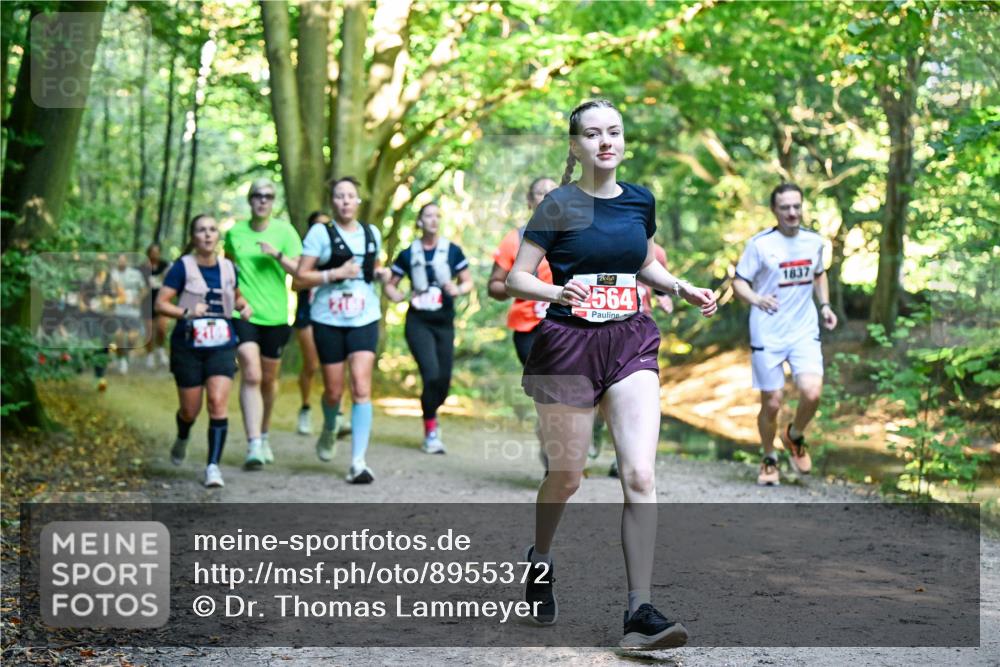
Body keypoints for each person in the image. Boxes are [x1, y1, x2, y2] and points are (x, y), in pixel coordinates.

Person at [505, 99, 717, 650]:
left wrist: (679, 286)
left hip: (630, 339)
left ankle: (638, 613)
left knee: (640, 475)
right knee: (568, 477)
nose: (606, 142)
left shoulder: (641, 200)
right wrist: (557, 290)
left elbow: (642, 260)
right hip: (568, 345)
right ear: (575, 146)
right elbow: (515, 279)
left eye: (614, 132)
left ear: (624, 140)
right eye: (593, 134)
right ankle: (541, 559)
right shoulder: (557, 205)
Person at [732, 183, 838, 486]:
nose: (792, 213)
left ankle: (794, 435)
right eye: (785, 208)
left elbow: (819, 273)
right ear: (774, 210)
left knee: (812, 392)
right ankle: (769, 457)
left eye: (796, 206)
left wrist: (826, 305)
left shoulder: (814, 242)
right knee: (773, 402)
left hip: (804, 329)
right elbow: (738, 282)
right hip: (768, 331)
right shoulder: (760, 245)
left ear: (802, 207)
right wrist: (755, 298)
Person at [295, 177, 390, 484]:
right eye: (340, 196)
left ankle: (358, 462)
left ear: (358, 201)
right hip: (328, 319)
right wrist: (334, 273)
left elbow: (367, 273)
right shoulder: (319, 233)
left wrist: (380, 274)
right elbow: (299, 279)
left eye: (351, 196)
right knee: (334, 390)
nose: (346, 201)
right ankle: (328, 427)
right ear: (332, 202)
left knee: (362, 386)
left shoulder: (371, 232)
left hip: (364, 317)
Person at [156, 214, 252, 487]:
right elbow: (161, 304)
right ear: (193, 236)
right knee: (190, 410)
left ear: (217, 236)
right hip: (189, 345)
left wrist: (244, 306)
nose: (208, 235)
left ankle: (213, 467)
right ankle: (183, 435)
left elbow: (237, 295)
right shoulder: (181, 268)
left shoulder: (229, 268)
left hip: (221, 343)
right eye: (201, 230)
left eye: (212, 230)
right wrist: (186, 311)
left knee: (218, 403)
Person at [223, 178, 303, 469]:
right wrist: (238, 298)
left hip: (276, 317)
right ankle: (253, 443)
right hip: (243, 315)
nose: (263, 200)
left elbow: (301, 272)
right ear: (250, 199)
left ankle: (264, 433)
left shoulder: (285, 232)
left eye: (268, 196)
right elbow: (228, 271)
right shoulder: (235, 233)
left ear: (273, 201)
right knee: (252, 374)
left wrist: (277, 255)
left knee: (269, 380)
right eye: (257, 195)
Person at [384, 203, 474, 454]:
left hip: (444, 323)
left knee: (443, 382)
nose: (433, 220)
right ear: (420, 221)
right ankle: (431, 430)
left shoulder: (453, 251)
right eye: (428, 216)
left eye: (437, 216)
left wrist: (458, 289)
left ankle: (432, 413)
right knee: (431, 374)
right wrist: (396, 295)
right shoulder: (408, 253)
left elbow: (467, 282)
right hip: (418, 322)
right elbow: (390, 284)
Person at [293, 212, 328, 436]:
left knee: (334, 366)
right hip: (307, 315)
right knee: (312, 364)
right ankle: (305, 407)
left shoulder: (338, 256)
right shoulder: (304, 258)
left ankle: (337, 414)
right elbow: (296, 284)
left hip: (331, 316)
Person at [108, 253, 147, 374]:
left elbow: (144, 289)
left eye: (123, 260)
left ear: (127, 261)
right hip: (118, 310)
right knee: (119, 335)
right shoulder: (112, 275)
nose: (121, 263)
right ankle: (121, 359)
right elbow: (109, 292)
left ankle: (127, 354)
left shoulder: (136, 274)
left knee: (132, 337)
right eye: (119, 260)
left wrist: (139, 299)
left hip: (133, 311)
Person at [142, 243, 170, 369]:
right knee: (149, 330)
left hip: (162, 300)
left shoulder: (165, 265)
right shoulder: (142, 268)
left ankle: (160, 349)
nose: (154, 254)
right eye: (152, 252)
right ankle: (149, 355)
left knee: (161, 328)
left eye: (156, 251)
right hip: (147, 302)